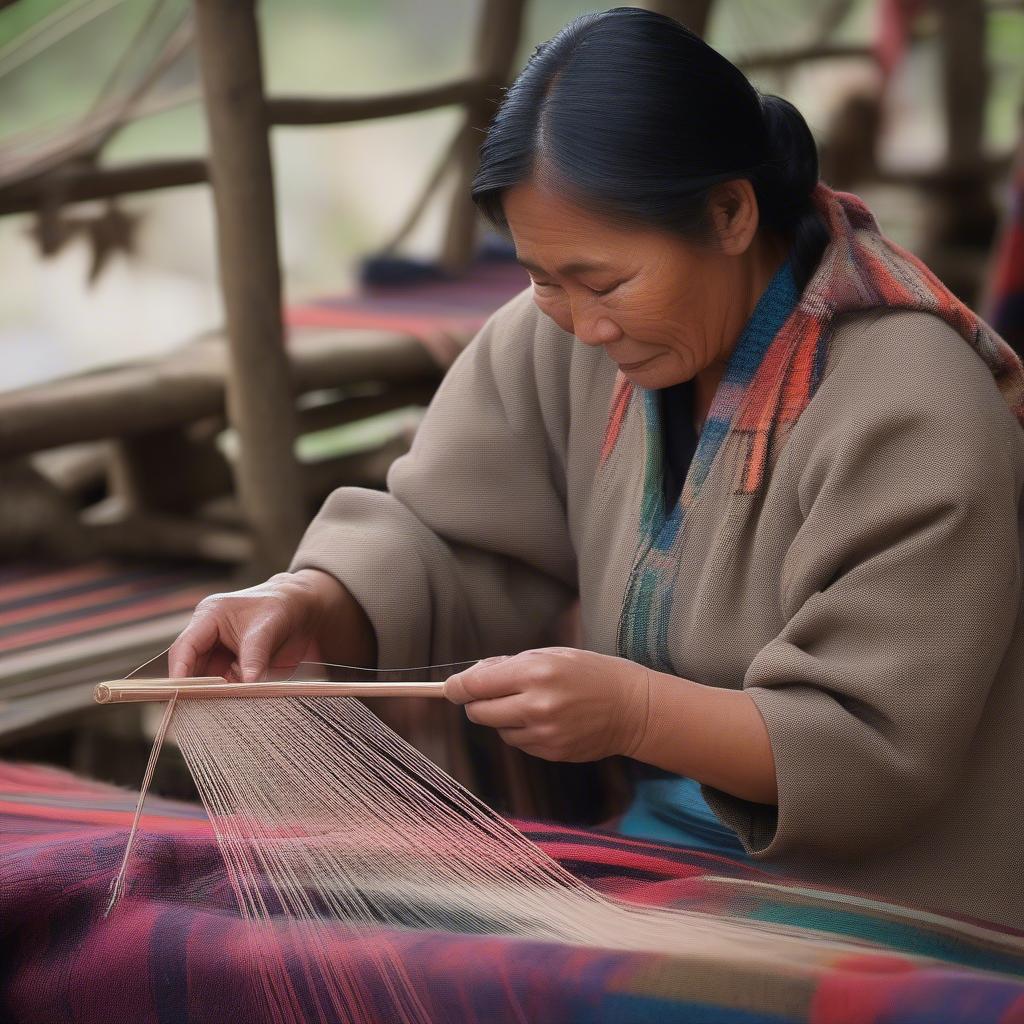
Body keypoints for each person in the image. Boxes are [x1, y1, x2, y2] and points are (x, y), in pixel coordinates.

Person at [170, 8, 1024, 928]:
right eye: (544, 279)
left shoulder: (913, 403)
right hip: (662, 845)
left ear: (730, 212)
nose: (582, 322)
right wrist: (306, 602)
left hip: (903, 898)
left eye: (607, 281)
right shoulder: (561, 345)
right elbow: (459, 538)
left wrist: (637, 717)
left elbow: (873, 751)